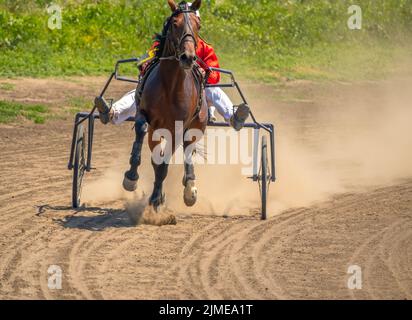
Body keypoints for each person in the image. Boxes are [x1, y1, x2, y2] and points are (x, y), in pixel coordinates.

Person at [95, 2, 249, 131]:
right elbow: (144, 60)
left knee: (214, 91)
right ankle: (112, 113)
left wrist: (205, 73)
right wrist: (145, 64)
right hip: (165, 90)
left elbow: (216, 75)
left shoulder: (205, 48)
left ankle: (233, 117)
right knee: (140, 91)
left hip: (197, 91)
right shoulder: (164, 44)